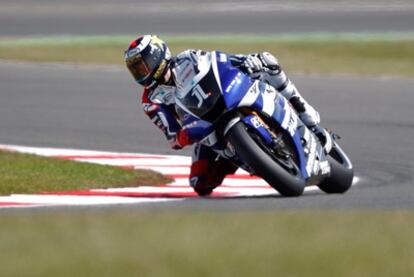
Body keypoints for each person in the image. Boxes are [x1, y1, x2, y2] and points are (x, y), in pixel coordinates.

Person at [125, 34, 322, 196]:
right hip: (202, 128)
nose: (141, 73)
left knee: (268, 62)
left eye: (142, 66)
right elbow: (171, 135)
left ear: (157, 56)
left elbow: (220, 60)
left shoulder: (188, 58)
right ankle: (244, 155)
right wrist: (182, 137)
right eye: (135, 70)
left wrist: (245, 62)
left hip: (225, 98)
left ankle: (302, 109)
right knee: (199, 183)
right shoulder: (151, 101)